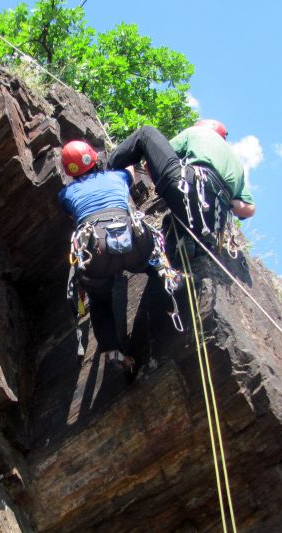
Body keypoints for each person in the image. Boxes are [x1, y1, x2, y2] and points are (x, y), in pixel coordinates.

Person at [58, 140, 161, 374]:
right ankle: (168, 281)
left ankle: (113, 352)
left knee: (100, 301)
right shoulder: (117, 177)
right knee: (151, 262)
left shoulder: (66, 193)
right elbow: (130, 174)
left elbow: (70, 212)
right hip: (131, 240)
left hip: (96, 254)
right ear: (94, 159)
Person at [107, 120, 255, 249]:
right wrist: (216, 198)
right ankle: (185, 242)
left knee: (146, 133)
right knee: (174, 222)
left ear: (203, 126)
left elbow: (150, 163)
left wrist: (166, 189)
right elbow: (249, 209)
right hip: (213, 219)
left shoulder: (198, 132)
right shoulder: (237, 165)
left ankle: (106, 170)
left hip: (189, 185)